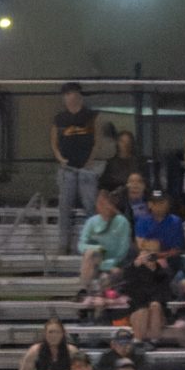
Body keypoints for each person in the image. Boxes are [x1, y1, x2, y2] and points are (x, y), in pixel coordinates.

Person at [52, 83, 101, 241]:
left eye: (71, 94)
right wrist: (60, 158)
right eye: (66, 94)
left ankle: (92, 242)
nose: (69, 97)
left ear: (79, 95)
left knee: (90, 206)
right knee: (65, 208)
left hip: (86, 168)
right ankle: (63, 243)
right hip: (68, 168)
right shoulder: (60, 119)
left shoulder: (91, 116)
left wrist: (90, 160)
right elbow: (53, 141)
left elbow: (97, 139)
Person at [75, 188, 131, 309]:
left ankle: (99, 314)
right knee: (90, 253)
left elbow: (123, 250)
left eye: (104, 203)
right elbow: (81, 245)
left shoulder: (122, 222)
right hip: (96, 262)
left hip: (116, 264)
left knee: (104, 279)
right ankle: (85, 290)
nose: (101, 206)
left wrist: (109, 265)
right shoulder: (91, 222)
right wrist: (98, 248)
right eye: (99, 202)